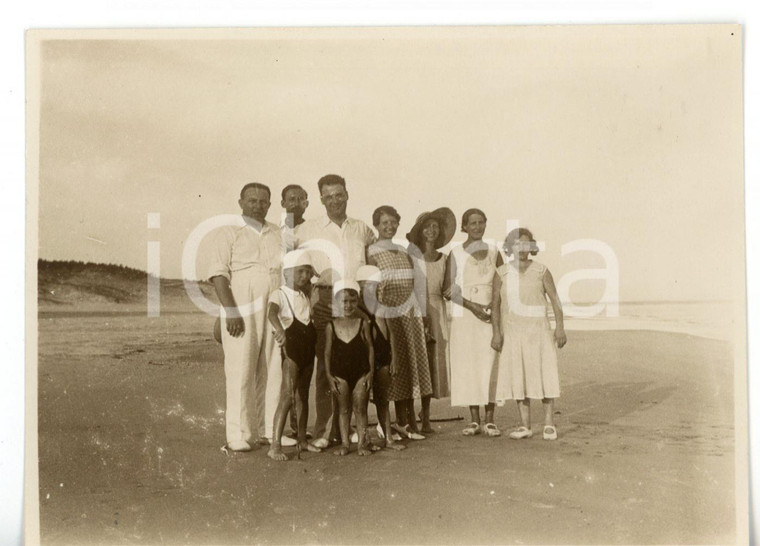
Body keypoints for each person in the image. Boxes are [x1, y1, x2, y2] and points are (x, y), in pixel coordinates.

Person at [294, 174, 375, 449]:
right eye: (328, 196)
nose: (334, 200)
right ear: (321, 199)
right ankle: (323, 430)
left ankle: (349, 427)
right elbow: (294, 264)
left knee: (354, 360)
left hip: (356, 299)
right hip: (326, 296)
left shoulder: (362, 229)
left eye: (339, 194)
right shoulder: (306, 230)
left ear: (347, 194)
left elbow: (371, 262)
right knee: (326, 365)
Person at [208, 183, 282, 451]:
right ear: (240, 202)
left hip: (275, 300)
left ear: (270, 205)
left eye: (263, 201)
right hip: (242, 300)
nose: (258, 205)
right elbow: (219, 275)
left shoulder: (278, 233)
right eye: (252, 200)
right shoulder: (228, 232)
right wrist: (229, 311)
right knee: (241, 367)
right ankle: (239, 434)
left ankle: (272, 429)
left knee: (274, 366)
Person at [492, 227, 567, 440]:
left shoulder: (541, 270)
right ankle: (525, 426)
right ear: (510, 247)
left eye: (526, 244)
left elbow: (555, 300)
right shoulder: (502, 272)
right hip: (513, 332)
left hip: (539, 332)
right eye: (517, 244)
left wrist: (560, 327)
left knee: (545, 374)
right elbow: (495, 305)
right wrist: (496, 333)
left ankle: (549, 424)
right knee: (519, 375)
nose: (522, 249)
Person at [368, 205, 432, 441]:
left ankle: (409, 422)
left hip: (410, 311)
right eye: (384, 222)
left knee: (411, 365)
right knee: (392, 366)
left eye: (393, 222)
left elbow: (415, 284)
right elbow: (371, 287)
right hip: (387, 311)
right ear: (376, 225)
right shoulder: (371, 251)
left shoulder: (403, 251)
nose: (389, 226)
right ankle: (389, 423)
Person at [444, 208, 503, 438]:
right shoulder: (456, 252)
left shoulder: (495, 251)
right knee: (468, 365)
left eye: (481, 222)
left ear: (486, 224)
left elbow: (501, 285)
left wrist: (492, 309)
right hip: (464, 314)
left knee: (490, 363)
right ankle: (474, 420)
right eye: (472, 223)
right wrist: (473, 307)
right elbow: (448, 290)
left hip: (490, 314)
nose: (477, 227)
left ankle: (490, 420)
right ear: (464, 227)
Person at [266, 250, 321, 461]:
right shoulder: (279, 293)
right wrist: (279, 329)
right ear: (287, 272)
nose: (305, 276)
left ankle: (303, 440)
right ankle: (275, 445)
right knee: (288, 396)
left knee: (303, 396)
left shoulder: (305, 295)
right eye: (300, 272)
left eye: (308, 272)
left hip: (308, 349)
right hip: (292, 352)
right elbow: (271, 312)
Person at [406, 207, 456, 433]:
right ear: (420, 230)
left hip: (437, 312)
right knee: (414, 364)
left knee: (432, 364)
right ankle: (410, 418)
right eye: (427, 226)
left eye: (435, 226)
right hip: (414, 310)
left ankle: (425, 418)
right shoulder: (411, 256)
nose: (431, 230)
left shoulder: (445, 258)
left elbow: (447, 288)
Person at [356, 265, 405, 450]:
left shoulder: (382, 307)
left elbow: (391, 335)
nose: (371, 289)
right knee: (361, 400)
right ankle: (364, 440)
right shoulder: (355, 308)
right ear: (359, 286)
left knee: (383, 399)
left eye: (374, 286)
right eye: (367, 286)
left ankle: (389, 438)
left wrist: (395, 358)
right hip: (362, 360)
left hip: (382, 356)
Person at [324, 281, 376, 456]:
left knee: (361, 407)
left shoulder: (362, 323)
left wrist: (370, 373)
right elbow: (327, 353)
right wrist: (329, 377)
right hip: (340, 374)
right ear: (337, 302)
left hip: (361, 372)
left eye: (352, 301)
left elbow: (370, 348)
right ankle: (345, 443)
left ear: (358, 301)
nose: (348, 305)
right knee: (343, 408)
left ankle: (362, 444)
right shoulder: (331, 326)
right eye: (344, 301)